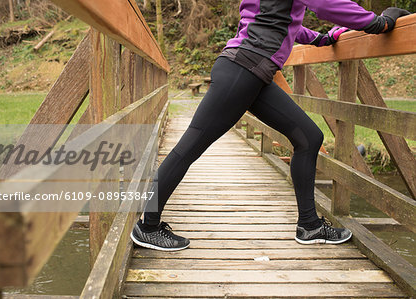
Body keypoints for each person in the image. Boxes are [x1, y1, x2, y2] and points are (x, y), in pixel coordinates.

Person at [130, 1, 410, 251]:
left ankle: (310, 226)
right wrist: (378, 22)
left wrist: (321, 39)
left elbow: (282, 21)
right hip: (244, 71)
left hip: (251, 73)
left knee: (309, 137)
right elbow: (326, 5)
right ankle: (148, 226)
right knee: (189, 147)